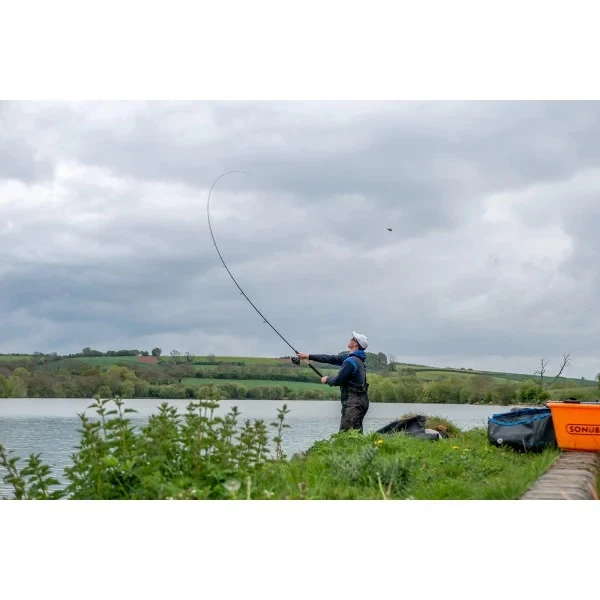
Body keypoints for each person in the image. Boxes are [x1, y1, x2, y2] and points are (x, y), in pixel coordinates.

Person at [296, 331, 369, 433]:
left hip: (353, 405)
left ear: (355, 344)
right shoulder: (353, 358)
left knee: (345, 435)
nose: (350, 339)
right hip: (359, 402)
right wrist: (308, 356)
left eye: (352, 338)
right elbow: (329, 358)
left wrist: (327, 379)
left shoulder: (350, 361)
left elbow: (339, 380)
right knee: (355, 435)